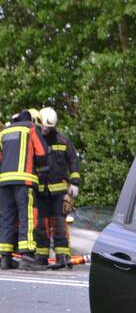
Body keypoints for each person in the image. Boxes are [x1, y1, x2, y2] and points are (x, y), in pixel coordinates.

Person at [0, 110, 50, 270]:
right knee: (27, 217)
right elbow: (42, 153)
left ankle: (5, 258)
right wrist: (42, 169)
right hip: (24, 180)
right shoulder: (30, 128)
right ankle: (27, 257)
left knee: (7, 219)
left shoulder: (5, 132)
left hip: (4, 181)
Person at [33, 106, 81, 269]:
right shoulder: (35, 139)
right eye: (43, 127)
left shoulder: (63, 140)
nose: (45, 130)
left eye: (49, 128)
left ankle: (62, 256)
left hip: (59, 191)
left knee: (60, 224)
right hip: (40, 190)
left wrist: (75, 183)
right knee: (41, 224)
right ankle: (42, 256)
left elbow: (73, 161)